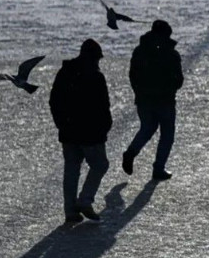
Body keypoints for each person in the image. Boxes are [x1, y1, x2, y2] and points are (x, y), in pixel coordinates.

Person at [49, 39, 112, 223]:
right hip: (90, 132)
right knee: (100, 164)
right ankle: (85, 200)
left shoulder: (65, 72)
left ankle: (70, 210)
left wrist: (61, 123)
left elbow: (54, 101)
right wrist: (105, 127)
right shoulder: (96, 76)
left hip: (68, 131)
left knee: (71, 169)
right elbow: (103, 106)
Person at [122, 19, 183, 180]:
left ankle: (131, 152)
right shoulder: (171, 54)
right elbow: (179, 79)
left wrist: (139, 92)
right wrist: (169, 88)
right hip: (165, 101)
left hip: (144, 100)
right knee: (167, 134)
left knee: (147, 128)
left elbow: (133, 75)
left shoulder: (139, 51)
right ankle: (158, 168)